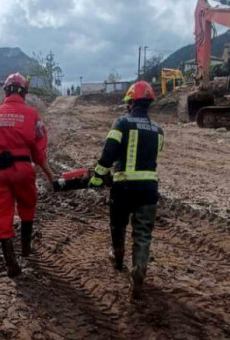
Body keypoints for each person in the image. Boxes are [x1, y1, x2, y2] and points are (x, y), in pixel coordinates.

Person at [0, 72, 55, 277]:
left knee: (1, 213)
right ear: (24, 92)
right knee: (27, 205)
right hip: (23, 170)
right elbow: (38, 151)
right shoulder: (32, 115)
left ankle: (10, 258)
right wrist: (50, 175)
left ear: (6, 91)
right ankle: (26, 248)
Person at [88, 80, 164, 299]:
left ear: (131, 102)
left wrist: (98, 176)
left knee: (118, 225)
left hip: (123, 187)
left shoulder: (121, 123)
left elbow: (109, 153)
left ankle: (118, 257)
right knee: (142, 234)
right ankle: (139, 268)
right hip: (149, 188)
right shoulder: (159, 130)